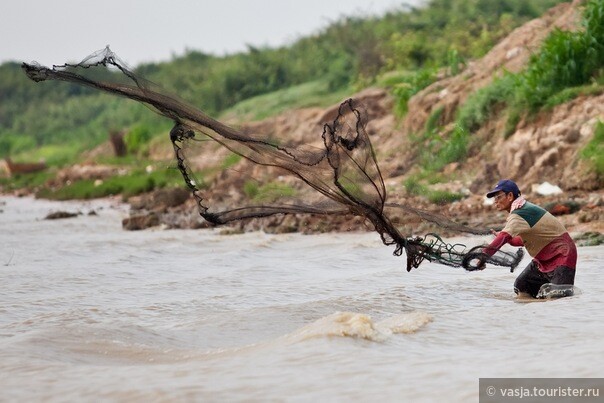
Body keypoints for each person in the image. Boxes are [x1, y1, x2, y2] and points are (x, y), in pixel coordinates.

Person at [481, 179, 577, 298]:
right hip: (544, 259)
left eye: (498, 197)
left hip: (562, 256)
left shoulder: (520, 213)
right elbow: (522, 240)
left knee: (558, 296)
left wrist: (483, 256)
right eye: (494, 198)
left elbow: (503, 237)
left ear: (510, 196)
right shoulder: (522, 210)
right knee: (522, 286)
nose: (495, 201)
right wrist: (508, 239)